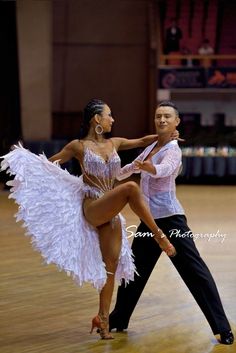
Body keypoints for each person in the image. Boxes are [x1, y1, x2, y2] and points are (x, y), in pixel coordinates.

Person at [0, 99, 177, 340]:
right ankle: (160, 236)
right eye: (109, 115)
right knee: (131, 189)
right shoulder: (78, 146)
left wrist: (166, 135)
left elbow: (144, 141)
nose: (112, 119)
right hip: (93, 206)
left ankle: (102, 319)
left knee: (110, 268)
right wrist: (27, 167)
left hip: (110, 212)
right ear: (97, 119)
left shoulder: (115, 143)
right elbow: (49, 164)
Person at [109, 101, 234, 345]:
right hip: (150, 221)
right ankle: (118, 319)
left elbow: (165, 170)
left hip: (171, 220)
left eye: (167, 116)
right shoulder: (152, 146)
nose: (162, 120)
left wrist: (149, 168)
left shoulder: (173, 149)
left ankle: (222, 327)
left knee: (195, 272)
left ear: (177, 122)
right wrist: (118, 170)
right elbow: (125, 172)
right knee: (134, 271)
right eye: (158, 116)